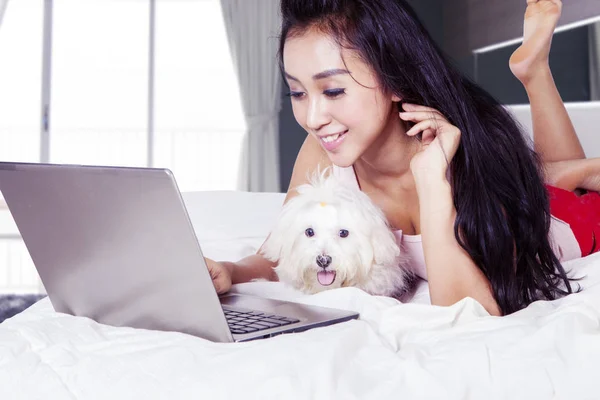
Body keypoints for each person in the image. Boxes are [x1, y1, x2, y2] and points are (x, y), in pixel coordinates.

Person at [206, 0, 600, 316]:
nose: (312, 119)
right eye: (297, 93)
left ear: (393, 79)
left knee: (580, 198)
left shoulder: (456, 161)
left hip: (561, 222)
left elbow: (467, 312)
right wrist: (232, 272)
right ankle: (558, 166)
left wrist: (433, 185)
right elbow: (281, 249)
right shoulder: (322, 151)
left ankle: (545, 99)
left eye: (333, 91)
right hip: (515, 185)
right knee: (540, 176)